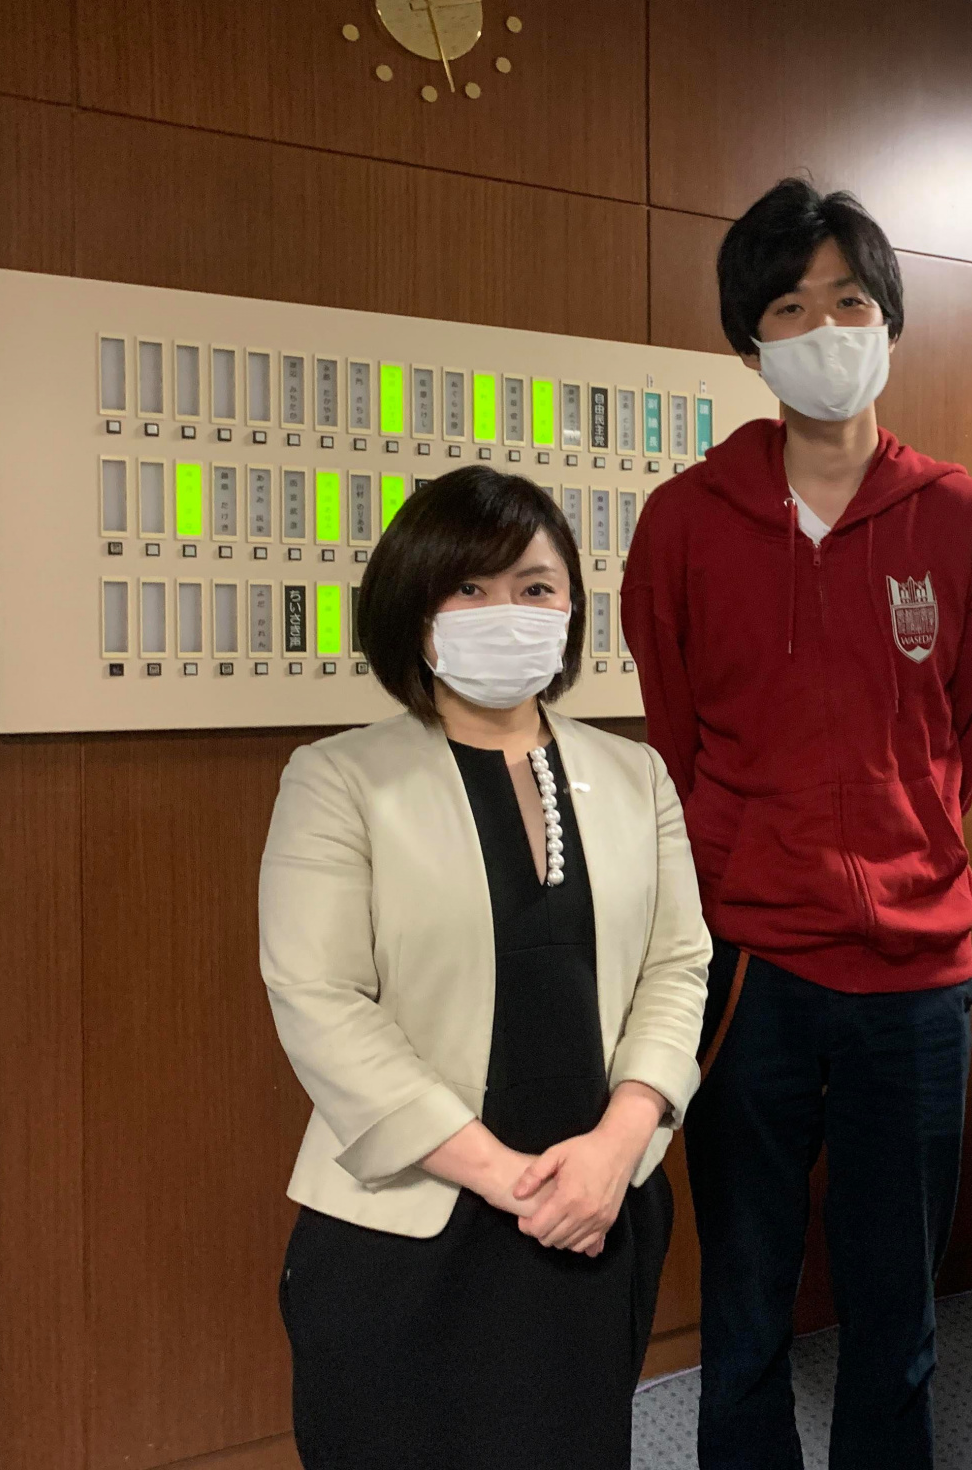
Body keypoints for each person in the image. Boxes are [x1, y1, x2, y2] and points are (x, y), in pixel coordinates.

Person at [621, 178, 972, 1470]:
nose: (824, 329)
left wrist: (897, 847)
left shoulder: (970, 523)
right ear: (750, 343)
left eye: (848, 301)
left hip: (916, 975)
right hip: (746, 967)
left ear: (889, 322)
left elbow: (959, 738)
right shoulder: (682, 525)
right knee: (744, 1300)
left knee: (897, 1306)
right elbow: (677, 739)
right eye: (790, 308)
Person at [260, 467, 711, 1470]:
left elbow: (680, 966)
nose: (504, 610)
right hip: (408, 1224)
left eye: (533, 586)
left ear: (571, 609)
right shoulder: (337, 779)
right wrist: (511, 1180)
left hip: (595, 1212)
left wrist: (616, 1148)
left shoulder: (635, 775)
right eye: (467, 587)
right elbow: (321, 1000)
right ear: (413, 610)